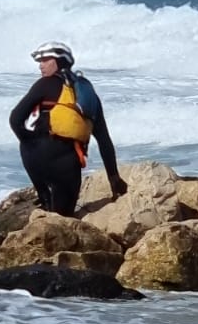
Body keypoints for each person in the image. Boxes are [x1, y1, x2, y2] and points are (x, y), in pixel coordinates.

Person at [8, 42, 127, 217]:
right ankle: (53, 205)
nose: (40, 65)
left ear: (58, 62)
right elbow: (103, 140)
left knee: (26, 144)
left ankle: (43, 195)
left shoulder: (45, 84)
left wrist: (29, 142)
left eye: (45, 60)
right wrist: (113, 177)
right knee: (64, 218)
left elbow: (15, 119)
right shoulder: (88, 94)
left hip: (38, 158)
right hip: (68, 164)